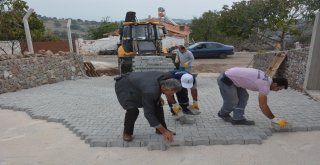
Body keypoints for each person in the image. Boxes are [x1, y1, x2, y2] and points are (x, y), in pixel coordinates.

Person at [114, 71, 184, 142]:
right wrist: (165, 133)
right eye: (171, 92)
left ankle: (160, 130)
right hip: (124, 86)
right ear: (163, 87)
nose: (172, 94)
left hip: (140, 84)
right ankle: (127, 133)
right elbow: (148, 113)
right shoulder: (150, 91)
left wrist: (178, 110)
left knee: (158, 103)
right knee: (132, 110)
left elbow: (161, 92)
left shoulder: (167, 78)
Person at [217, 67, 289, 128]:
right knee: (232, 101)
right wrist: (274, 119)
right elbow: (263, 106)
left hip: (234, 78)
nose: (277, 91)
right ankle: (223, 114)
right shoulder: (265, 85)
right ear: (275, 84)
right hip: (226, 79)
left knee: (244, 97)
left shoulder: (268, 78)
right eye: (279, 89)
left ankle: (238, 119)